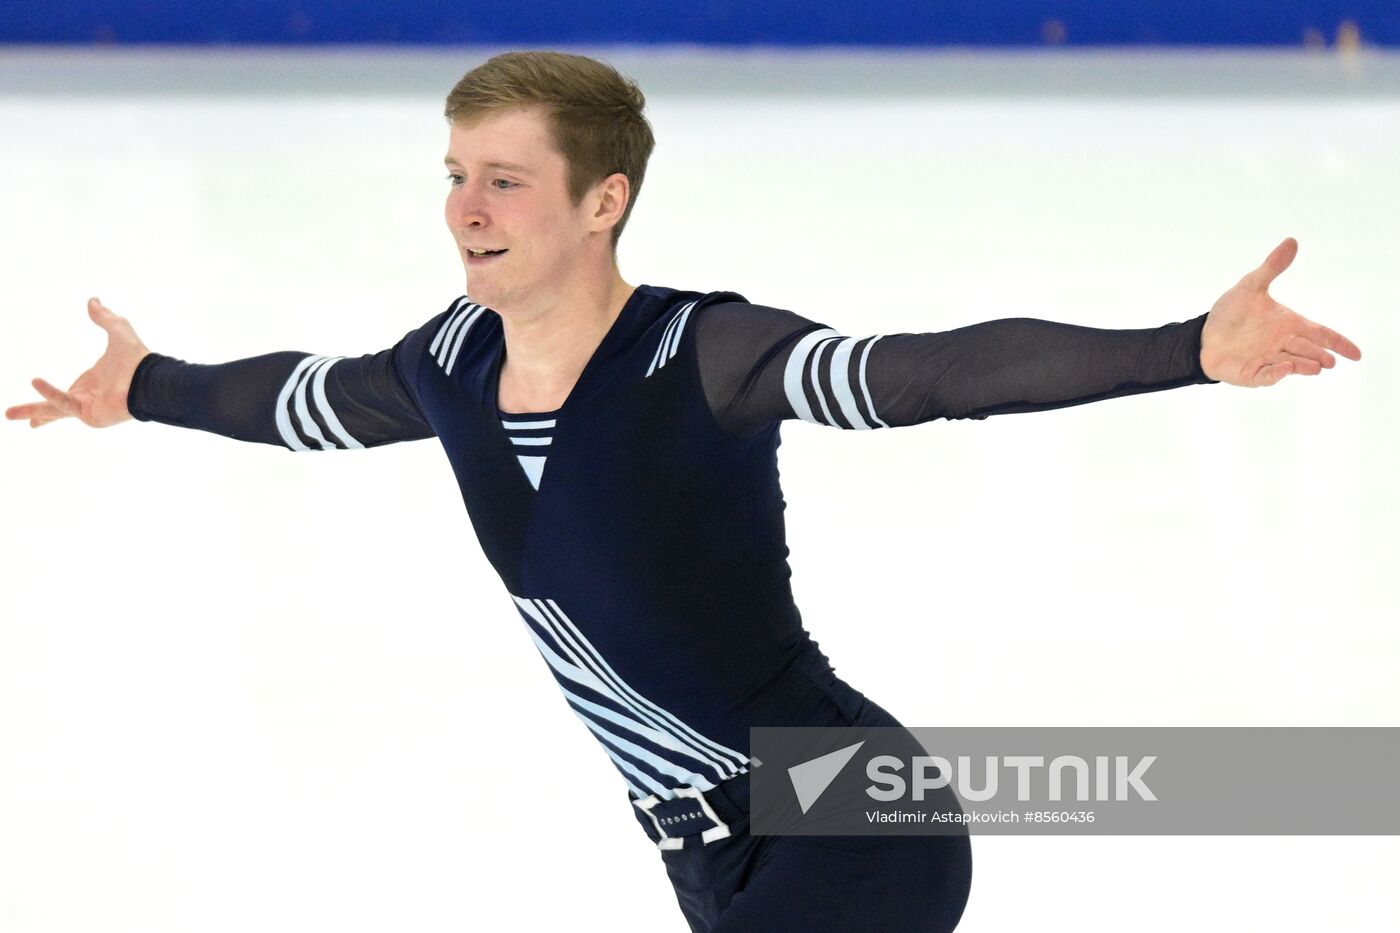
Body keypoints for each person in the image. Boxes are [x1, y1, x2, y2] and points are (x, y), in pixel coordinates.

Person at [6, 50, 1361, 932]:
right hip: (709, 856)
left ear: (603, 203)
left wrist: (1185, 347)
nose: (466, 210)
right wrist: (150, 383)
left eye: (506, 181)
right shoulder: (450, 362)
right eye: (457, 178)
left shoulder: (702, 352)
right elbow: (298, 404)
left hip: (847, 818)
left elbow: (929, 372)